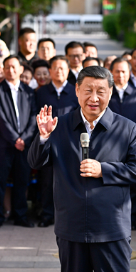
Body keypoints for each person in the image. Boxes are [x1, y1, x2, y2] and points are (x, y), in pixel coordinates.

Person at [28, 66, 136, 272]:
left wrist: (104, 169)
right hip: (71, 230)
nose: (94, 98)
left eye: (101, 91)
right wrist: (43, 136)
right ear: (77, 91)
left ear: (110, 93)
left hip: (111, 230)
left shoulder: (126, 128)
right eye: (88, 91)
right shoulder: (61, 126)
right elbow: (35, 161)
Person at [0, 55, 37, 229]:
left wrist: (25, 138)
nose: (10, 70)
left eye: (14, 67)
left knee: (22, 181)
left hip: (24, 144)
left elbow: (34, 117)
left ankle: (21, 215)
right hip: (4, 144)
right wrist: (14, 138)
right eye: (7, 67)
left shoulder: (29, 91)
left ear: (21, 69)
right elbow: (0, 117)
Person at [34, 56, 78, 228]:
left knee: (69, 180)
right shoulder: (41, 92)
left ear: (68, 71)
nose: (59, 71)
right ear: (50, 71)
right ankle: (47, 214)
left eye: (63, 68)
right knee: (47, 181)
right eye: (56, 68)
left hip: (70, 144)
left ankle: (68, 216)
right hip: (48, 143)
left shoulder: (76, 91)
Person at [109, 58, 136, 230]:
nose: (120, 75)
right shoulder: (106, 94)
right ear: (111, 73)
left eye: (124, 71)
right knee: (111, 184)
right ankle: (111, 219)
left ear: (130, 73)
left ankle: (130, 219)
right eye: (117, 71)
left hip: (132, 147)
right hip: (109, 147)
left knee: (132, 186)